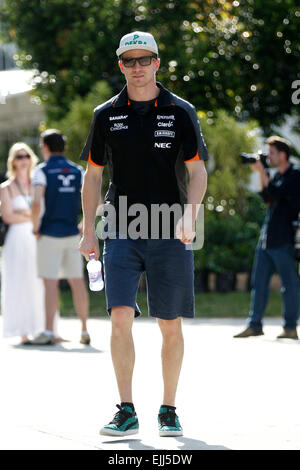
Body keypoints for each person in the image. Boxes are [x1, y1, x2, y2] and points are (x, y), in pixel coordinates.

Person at [79, 31, 208, 437]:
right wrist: (88, 231)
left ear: (157, 62)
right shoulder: (106, 114)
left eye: (144, 59)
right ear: (121, 65)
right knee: (120, 316)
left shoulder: (180, 110)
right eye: (129, 61)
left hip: (170, 227)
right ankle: (126, 409)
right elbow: (93, 176)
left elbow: (197, 170)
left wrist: (191, 215)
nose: (137, 67)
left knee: (169, 323)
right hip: (121, 226)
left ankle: (168, 409)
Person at [234, 136, 300, 340]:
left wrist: (263, 172)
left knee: (289, 285)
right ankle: (254, 325)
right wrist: (262, 174)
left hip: (284, 239)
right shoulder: (277, 176)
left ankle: (290, 327)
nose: (268, 157)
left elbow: (277, 193)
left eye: (271, 153)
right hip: (268, 238)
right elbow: (267, 198)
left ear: (283, 154)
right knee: (259, 283)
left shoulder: (295, 175)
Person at [30, 129, 90, 346]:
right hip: (73, 234)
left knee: (51, 284)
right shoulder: (77, 170)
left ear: (45, 147)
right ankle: (84, 329)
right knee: (77, 283)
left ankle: (47, 332)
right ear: (63, 147)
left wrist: (35, 227)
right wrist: (85, 225)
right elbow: (97, 200)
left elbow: (36, 202)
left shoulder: (41, 171)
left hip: (48, 233)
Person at [0, 142, 45, 343]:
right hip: (17, 240)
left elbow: (44, 212)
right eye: (19, 156)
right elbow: (8, 216)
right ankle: (22, 331)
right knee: (18, 282)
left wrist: (25, 213)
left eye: (26, 155)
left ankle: (42, 329)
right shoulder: (6, 187)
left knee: (39, 283)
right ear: (13, 161)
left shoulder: (38, 183)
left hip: (37, 239)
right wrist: (31, 216)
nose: (23, 160)